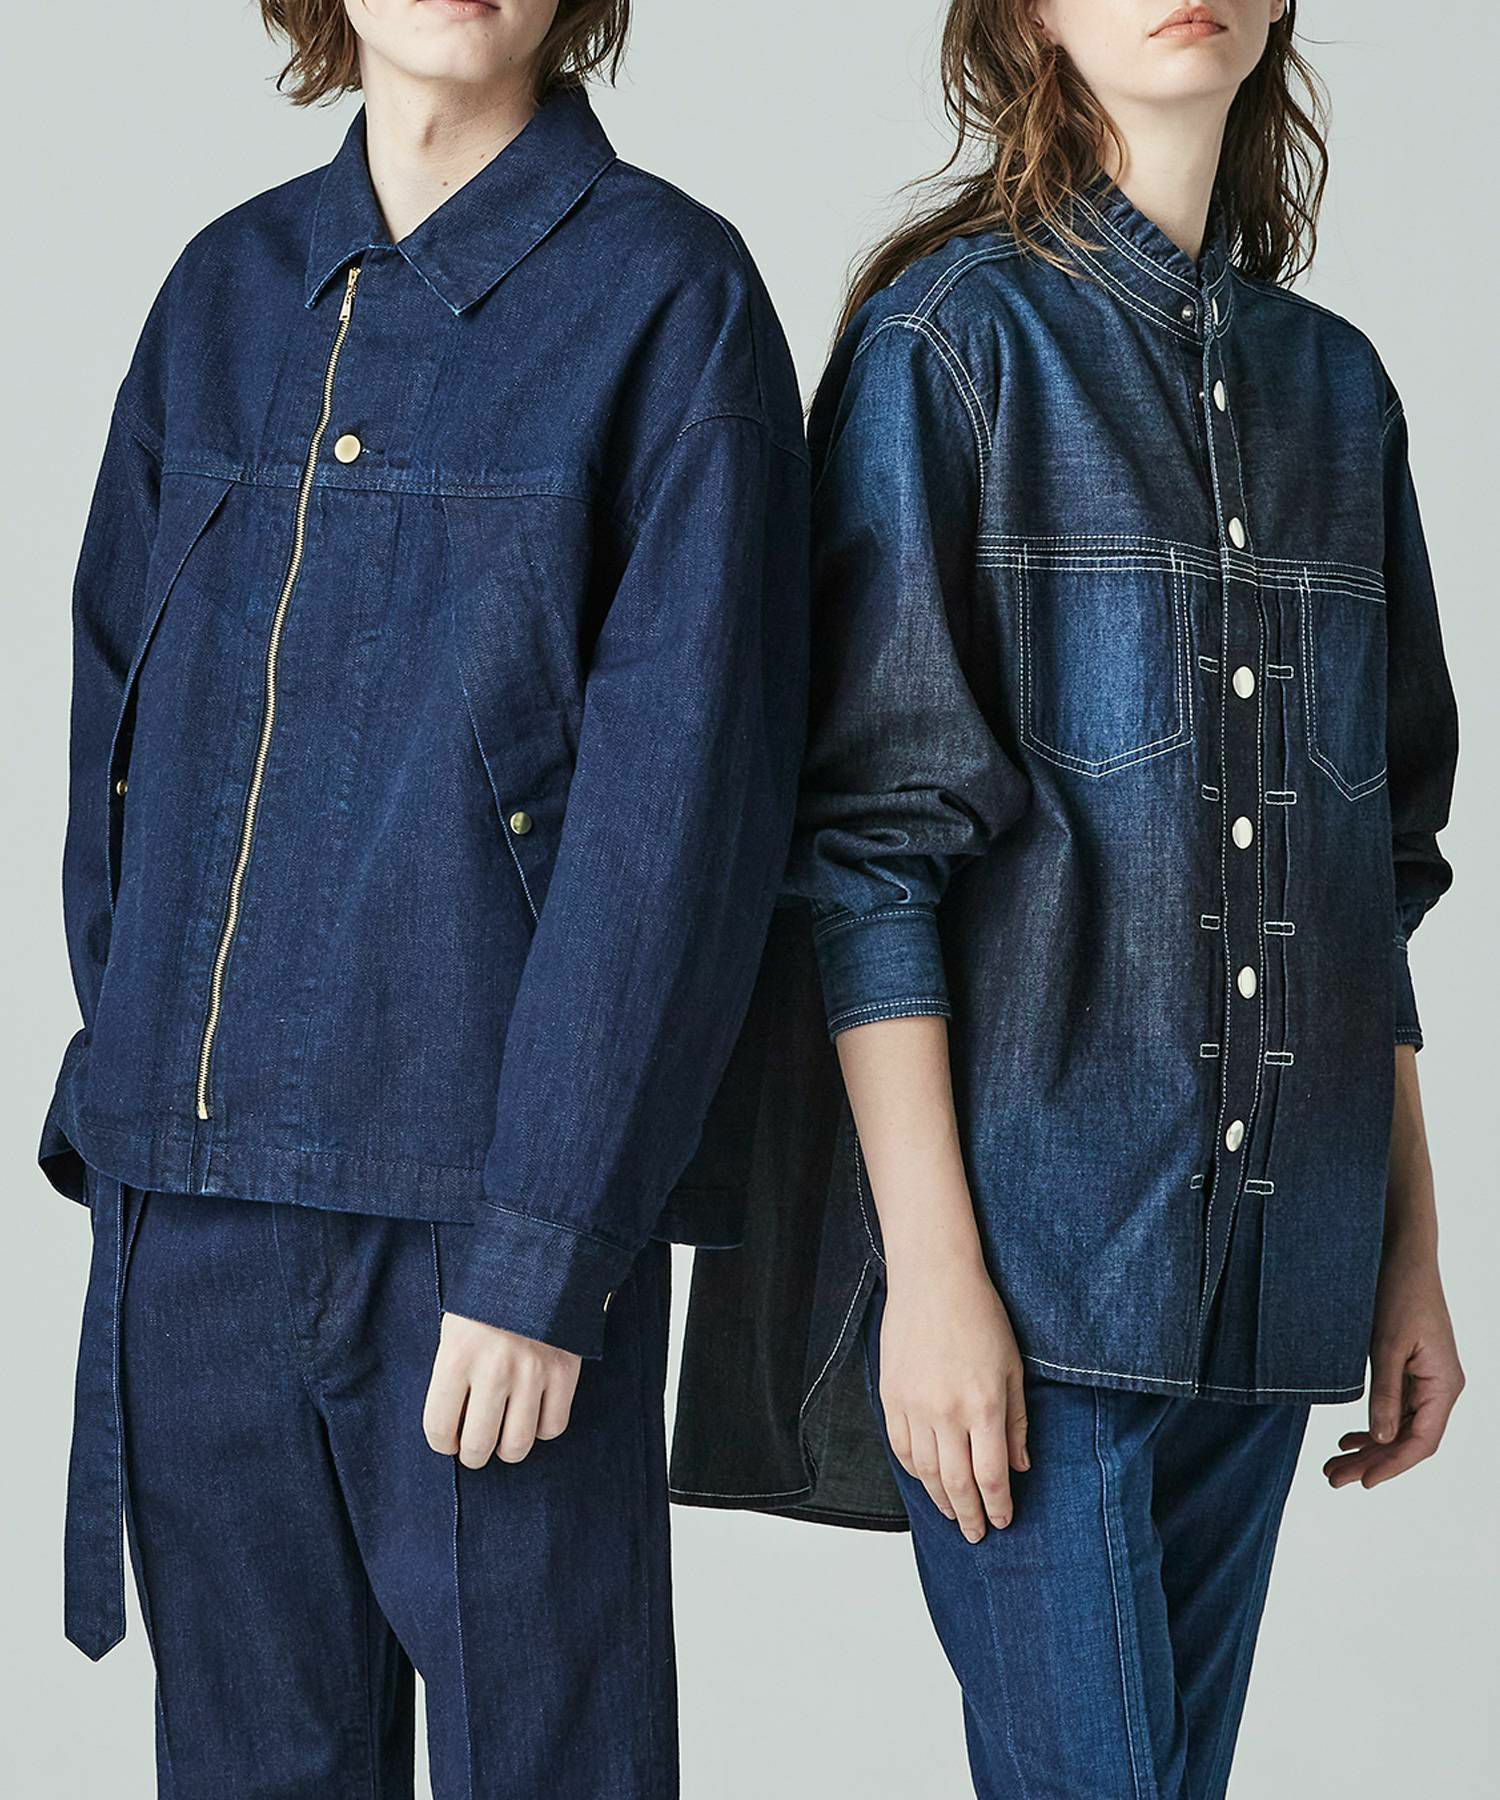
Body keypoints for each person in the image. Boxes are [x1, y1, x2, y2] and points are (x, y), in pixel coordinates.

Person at [673, 3, 1462, 1794]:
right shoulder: (952, 350)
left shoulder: (1339, 394)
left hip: (1279, 1274)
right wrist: (935, 1283)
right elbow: (865, 852)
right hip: (1034, 1280)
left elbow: (1371, 878)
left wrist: (1407, 1254)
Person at [42, 1, 808, 1794]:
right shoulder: (223, 296)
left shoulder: (671, 299)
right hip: (197, 1223)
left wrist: (550, 1244)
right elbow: (116, 738)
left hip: (482, 1230)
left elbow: (681, 819)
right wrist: (135, 1102)